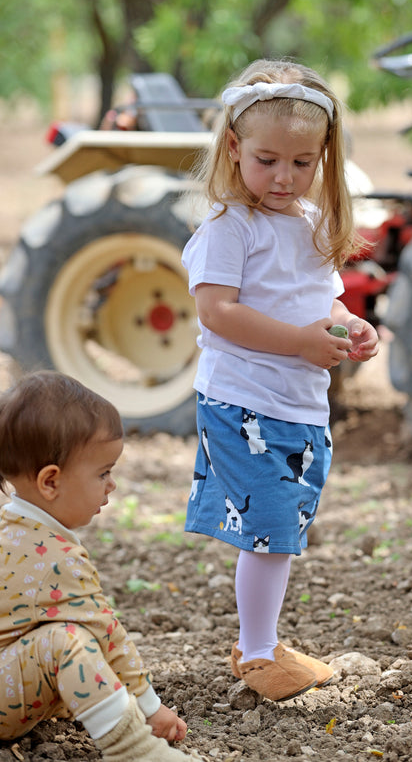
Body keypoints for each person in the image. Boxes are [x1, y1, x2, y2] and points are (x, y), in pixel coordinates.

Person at [182, 59, 380, 702]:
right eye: (267, 160)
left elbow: (318, 302)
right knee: (270, 527)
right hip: (244, 400)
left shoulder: (310, 223)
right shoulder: (227, 228)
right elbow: (217, 312)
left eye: (302, 162)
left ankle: (262, 642)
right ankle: (259, 652)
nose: (284, 177)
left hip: (297, 403)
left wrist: (348, 325)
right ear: (234, 148)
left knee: (284, 527)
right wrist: (299, 342)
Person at [0, 371, 194, 762]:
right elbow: (108, 635)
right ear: (50, 482)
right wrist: (150, 707)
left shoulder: (13, 528)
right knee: (69, 640)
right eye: (103, 472)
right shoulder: (54, 557)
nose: (112, 485)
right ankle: (135, 751)